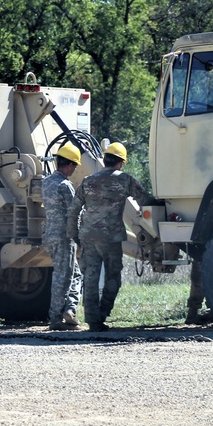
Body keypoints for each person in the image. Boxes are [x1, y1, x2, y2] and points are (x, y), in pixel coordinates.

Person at [67, 142, 152, 331]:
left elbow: (73, 210)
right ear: (121, 163)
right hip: (111, 237)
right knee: (113, 276)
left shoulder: (88, 181)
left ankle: (92, 319)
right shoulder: (124, 180)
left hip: (88, 236)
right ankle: (103, 313)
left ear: (105, 160)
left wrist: (74, 236)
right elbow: (145, 200)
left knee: (90, 276)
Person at [42, 142, 84, 331]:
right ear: (68, 165)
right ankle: (56, 318)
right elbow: (73, 213)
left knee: (75, 274)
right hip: (64, 237)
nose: (74, 170)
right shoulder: (65, 185)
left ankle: (70, 309)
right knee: (63, 277)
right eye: (74, 166)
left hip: (50, 234)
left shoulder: (46, 182)